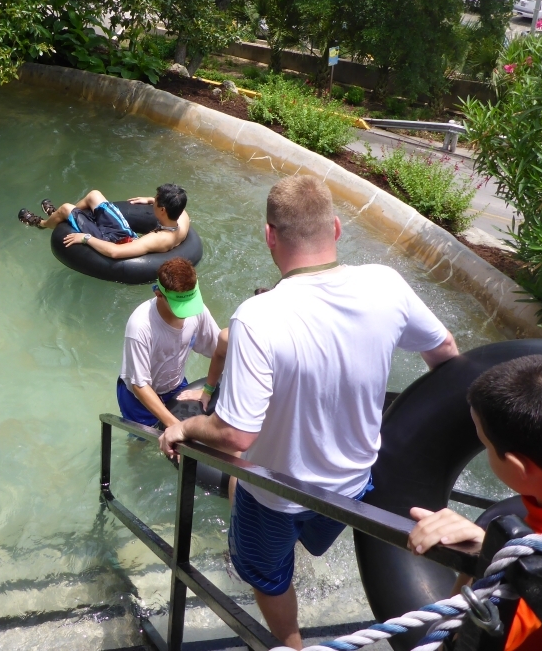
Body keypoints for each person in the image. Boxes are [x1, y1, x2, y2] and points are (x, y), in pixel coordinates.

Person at [158, 174, 459, 650]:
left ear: (269, 236)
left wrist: (183, 427)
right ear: (336, 229)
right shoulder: (386, 284)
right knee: (262, 500)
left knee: (265, 572)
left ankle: (294, 645)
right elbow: (445, 352)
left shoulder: (257, 317)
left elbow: (234, 435)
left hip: (279, 496)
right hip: (357, 483)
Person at [407, 355, 542, 651]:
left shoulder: (537, 591)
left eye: (486, 445)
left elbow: (461, 641)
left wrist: (492, 556)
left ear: (518, 468)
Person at [119, 257, 228, 428]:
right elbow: (139, 385)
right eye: (180, 305)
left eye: (189, 303)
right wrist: (174, 425)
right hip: (138, 395)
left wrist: (208, 389)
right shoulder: (140, 326)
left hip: (175, 385)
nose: (187, 312)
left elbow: (220, 349)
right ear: (159, 295)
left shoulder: (198, 312)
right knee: (142, 441)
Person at [18, 184, 190, 260]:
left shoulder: (158, 239)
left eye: (156, 200)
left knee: (65, 208)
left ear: (163, 210)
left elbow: (115, 252)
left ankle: (41, 223)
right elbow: (178, 207)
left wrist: (85, 238)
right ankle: (64, 217)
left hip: (112, 243)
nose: (154, 200)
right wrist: (149, 200)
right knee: (94, 195)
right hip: (126, 236)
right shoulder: (182, 219)